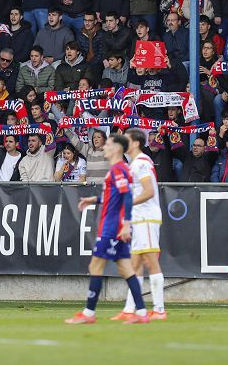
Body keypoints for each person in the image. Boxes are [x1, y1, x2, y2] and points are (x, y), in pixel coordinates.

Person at [65, 132, 149, 324]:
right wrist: (94, 199)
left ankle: (89, 313)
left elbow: (127, 196)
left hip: (113, 227)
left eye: (109, 144)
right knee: (127, 269)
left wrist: (127, 223)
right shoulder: (117, 169)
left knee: (95, 266)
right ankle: (142, 313)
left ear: (117, 148)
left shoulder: (119, 169)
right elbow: (117, 196)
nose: (105, 147)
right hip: (115, 226)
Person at [116, 129, 166, 321]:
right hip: (139, 218)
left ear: (135, 143)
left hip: (147, 217)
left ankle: (159, 310)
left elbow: (149, 191)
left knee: (150, 262)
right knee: (135, 264)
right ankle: (130, 309)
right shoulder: (135, 164)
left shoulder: (142, 163)